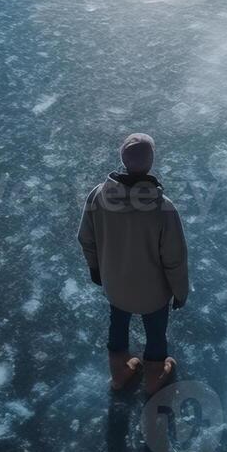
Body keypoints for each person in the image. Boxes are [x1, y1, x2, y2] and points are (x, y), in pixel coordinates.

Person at [78, 133, 189, 394]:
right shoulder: (163, 208)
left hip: (115, 285)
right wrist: (180, 291)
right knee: (156, 333)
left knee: (117, 327)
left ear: (122, 160)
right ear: (150, 163)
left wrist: (95, 268)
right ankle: (153, 378)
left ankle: (119, 374)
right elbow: (175, 258)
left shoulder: (98, 195)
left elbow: (86, 237)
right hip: (154, 293)